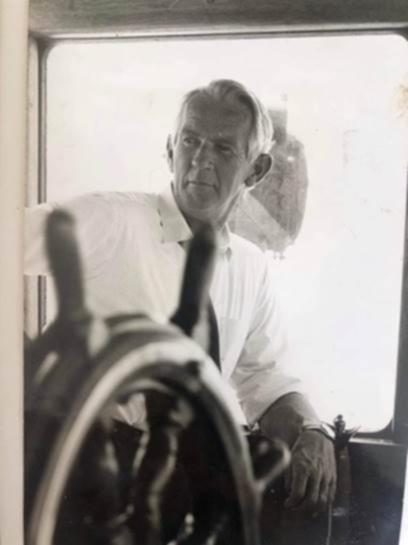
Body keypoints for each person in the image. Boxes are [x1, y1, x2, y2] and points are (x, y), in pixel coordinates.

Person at [25, 79, 336, 513]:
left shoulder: (250, 268)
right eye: (190, 141)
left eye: (223, 148)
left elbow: (266, 382)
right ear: (170, 150)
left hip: (176, 491)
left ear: (257, 170)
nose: (201, 159)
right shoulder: (110, 221)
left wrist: (312, 431)